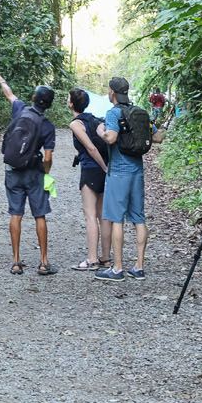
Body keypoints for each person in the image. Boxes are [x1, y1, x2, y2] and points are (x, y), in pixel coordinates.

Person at [95, 75, 167, 282]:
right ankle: (139, 267)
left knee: (117, 218)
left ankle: (117, 268)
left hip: (119, 171)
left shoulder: (113, 113)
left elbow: (111, 137)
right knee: (138, 217)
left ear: (112, 92)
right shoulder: (140, 112)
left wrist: (101, 130)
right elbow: (158, 138)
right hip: (137, 170)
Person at [0, 71, 57, 276]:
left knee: (15, 214)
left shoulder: (20, 110)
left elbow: (9, 94)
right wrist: (46, 174)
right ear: (48, 105)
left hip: (13, 171)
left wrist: (1, 79)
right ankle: (44, 262)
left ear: (34, 99)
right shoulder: (47, 126)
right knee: (40, 215)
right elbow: (47, 158)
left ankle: (16, 262)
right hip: (35, 173)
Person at [67, 88, 111, 271]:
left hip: (92, 169)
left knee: (90, 215)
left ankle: (92, 259)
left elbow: (91, 148)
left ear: (71, 103)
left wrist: (103, 167)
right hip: (102, 170)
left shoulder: (76, 124)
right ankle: (105, 258)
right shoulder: (96, 119)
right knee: (102, 215)